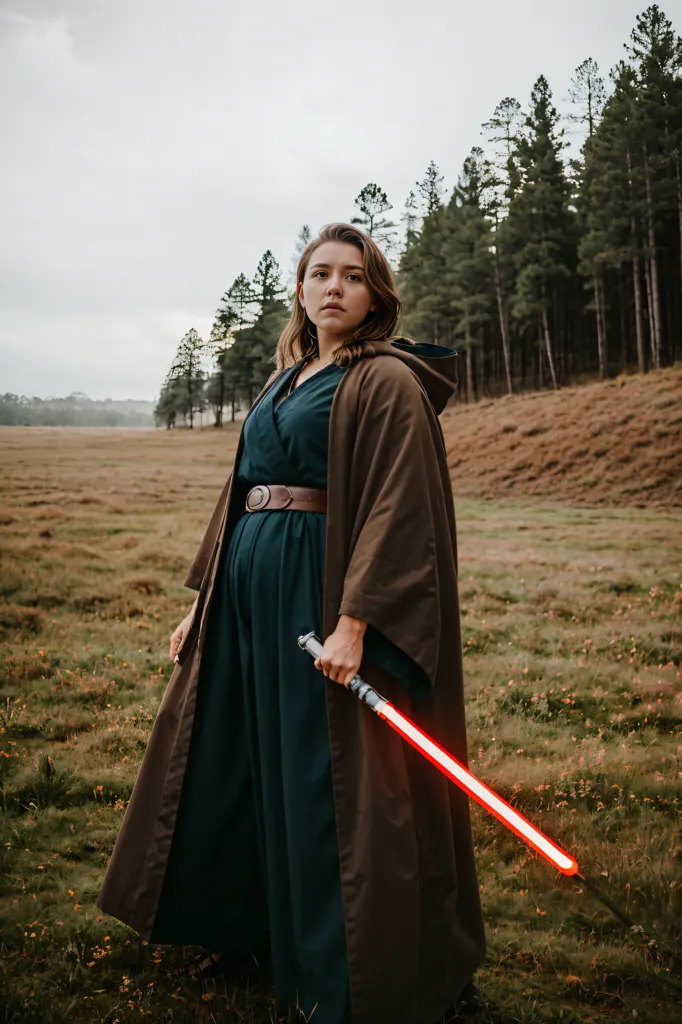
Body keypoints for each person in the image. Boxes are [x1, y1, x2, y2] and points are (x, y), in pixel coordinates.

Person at [97, 222, 486, 1024]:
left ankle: (348, 967)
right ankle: (250, 926)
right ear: (301, 290)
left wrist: (357, 623)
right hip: (248, 599)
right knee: (250, 755)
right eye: (319, 274)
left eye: (352, 275)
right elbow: (240, 493)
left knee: (328, 777)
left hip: (320, 595)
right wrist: (202, 603)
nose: (333, 287)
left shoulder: (386, 381)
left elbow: (396, 509)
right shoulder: (282, 380)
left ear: (375, 293)